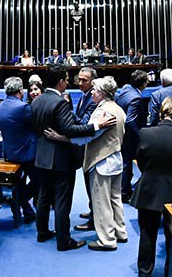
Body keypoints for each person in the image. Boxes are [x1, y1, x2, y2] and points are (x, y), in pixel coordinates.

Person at [31, 65, 115, 251]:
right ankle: (64, 240)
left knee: (44, 196)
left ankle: (42, 232)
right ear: (61, 82)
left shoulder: (36, 100)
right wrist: (96, 126)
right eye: (67, 79)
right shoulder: (59, 102)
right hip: (61, 158)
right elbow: (70, 129)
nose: (69, 82)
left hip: (42, 156)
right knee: (62, 200)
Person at [52, 77, 128, 251]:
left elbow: (87, 136)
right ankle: (120, 232)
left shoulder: (101, 112)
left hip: (101, 161)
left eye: (95, 90)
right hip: (116, 159)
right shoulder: (118, 109)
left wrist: (62, 138)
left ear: (102, 93)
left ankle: (107, 240)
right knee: (115, 199)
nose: (92, 92)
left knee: (101, 202)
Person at [131, 97, 172, 277]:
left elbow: (140, 162)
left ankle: (144, 273)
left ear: (160, 113)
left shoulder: (145, 133)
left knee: (147, 233)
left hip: (148, 189)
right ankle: (171, 272)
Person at [0, 77, 38, 224]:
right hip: (26, 153)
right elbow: (37, 124)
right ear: (21, 90)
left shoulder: (1, 106)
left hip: (9, 152)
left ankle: (26, 210)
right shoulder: (23, 107)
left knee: (19, 184)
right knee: (40, 181)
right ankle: (20, 201)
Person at [115, 69, 148, 201]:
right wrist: (141, 135)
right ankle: (125, 192)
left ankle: (124, 189)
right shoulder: (136, 98)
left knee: (125, 163)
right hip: (130, 136)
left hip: (121, 133)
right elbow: (130, 120)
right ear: (144, 84)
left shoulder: (125, 89)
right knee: (128, 163)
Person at [73, 66, 99, 229]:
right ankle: (92, 211)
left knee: (93, 185)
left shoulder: (92, 99)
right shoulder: (85, 96)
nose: (80, 82)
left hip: (91, 148)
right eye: (79, 79)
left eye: (84, 80)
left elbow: (84, 123)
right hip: (85, 148)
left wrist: (69, 110)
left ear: (92, 82)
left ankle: (94, 220)